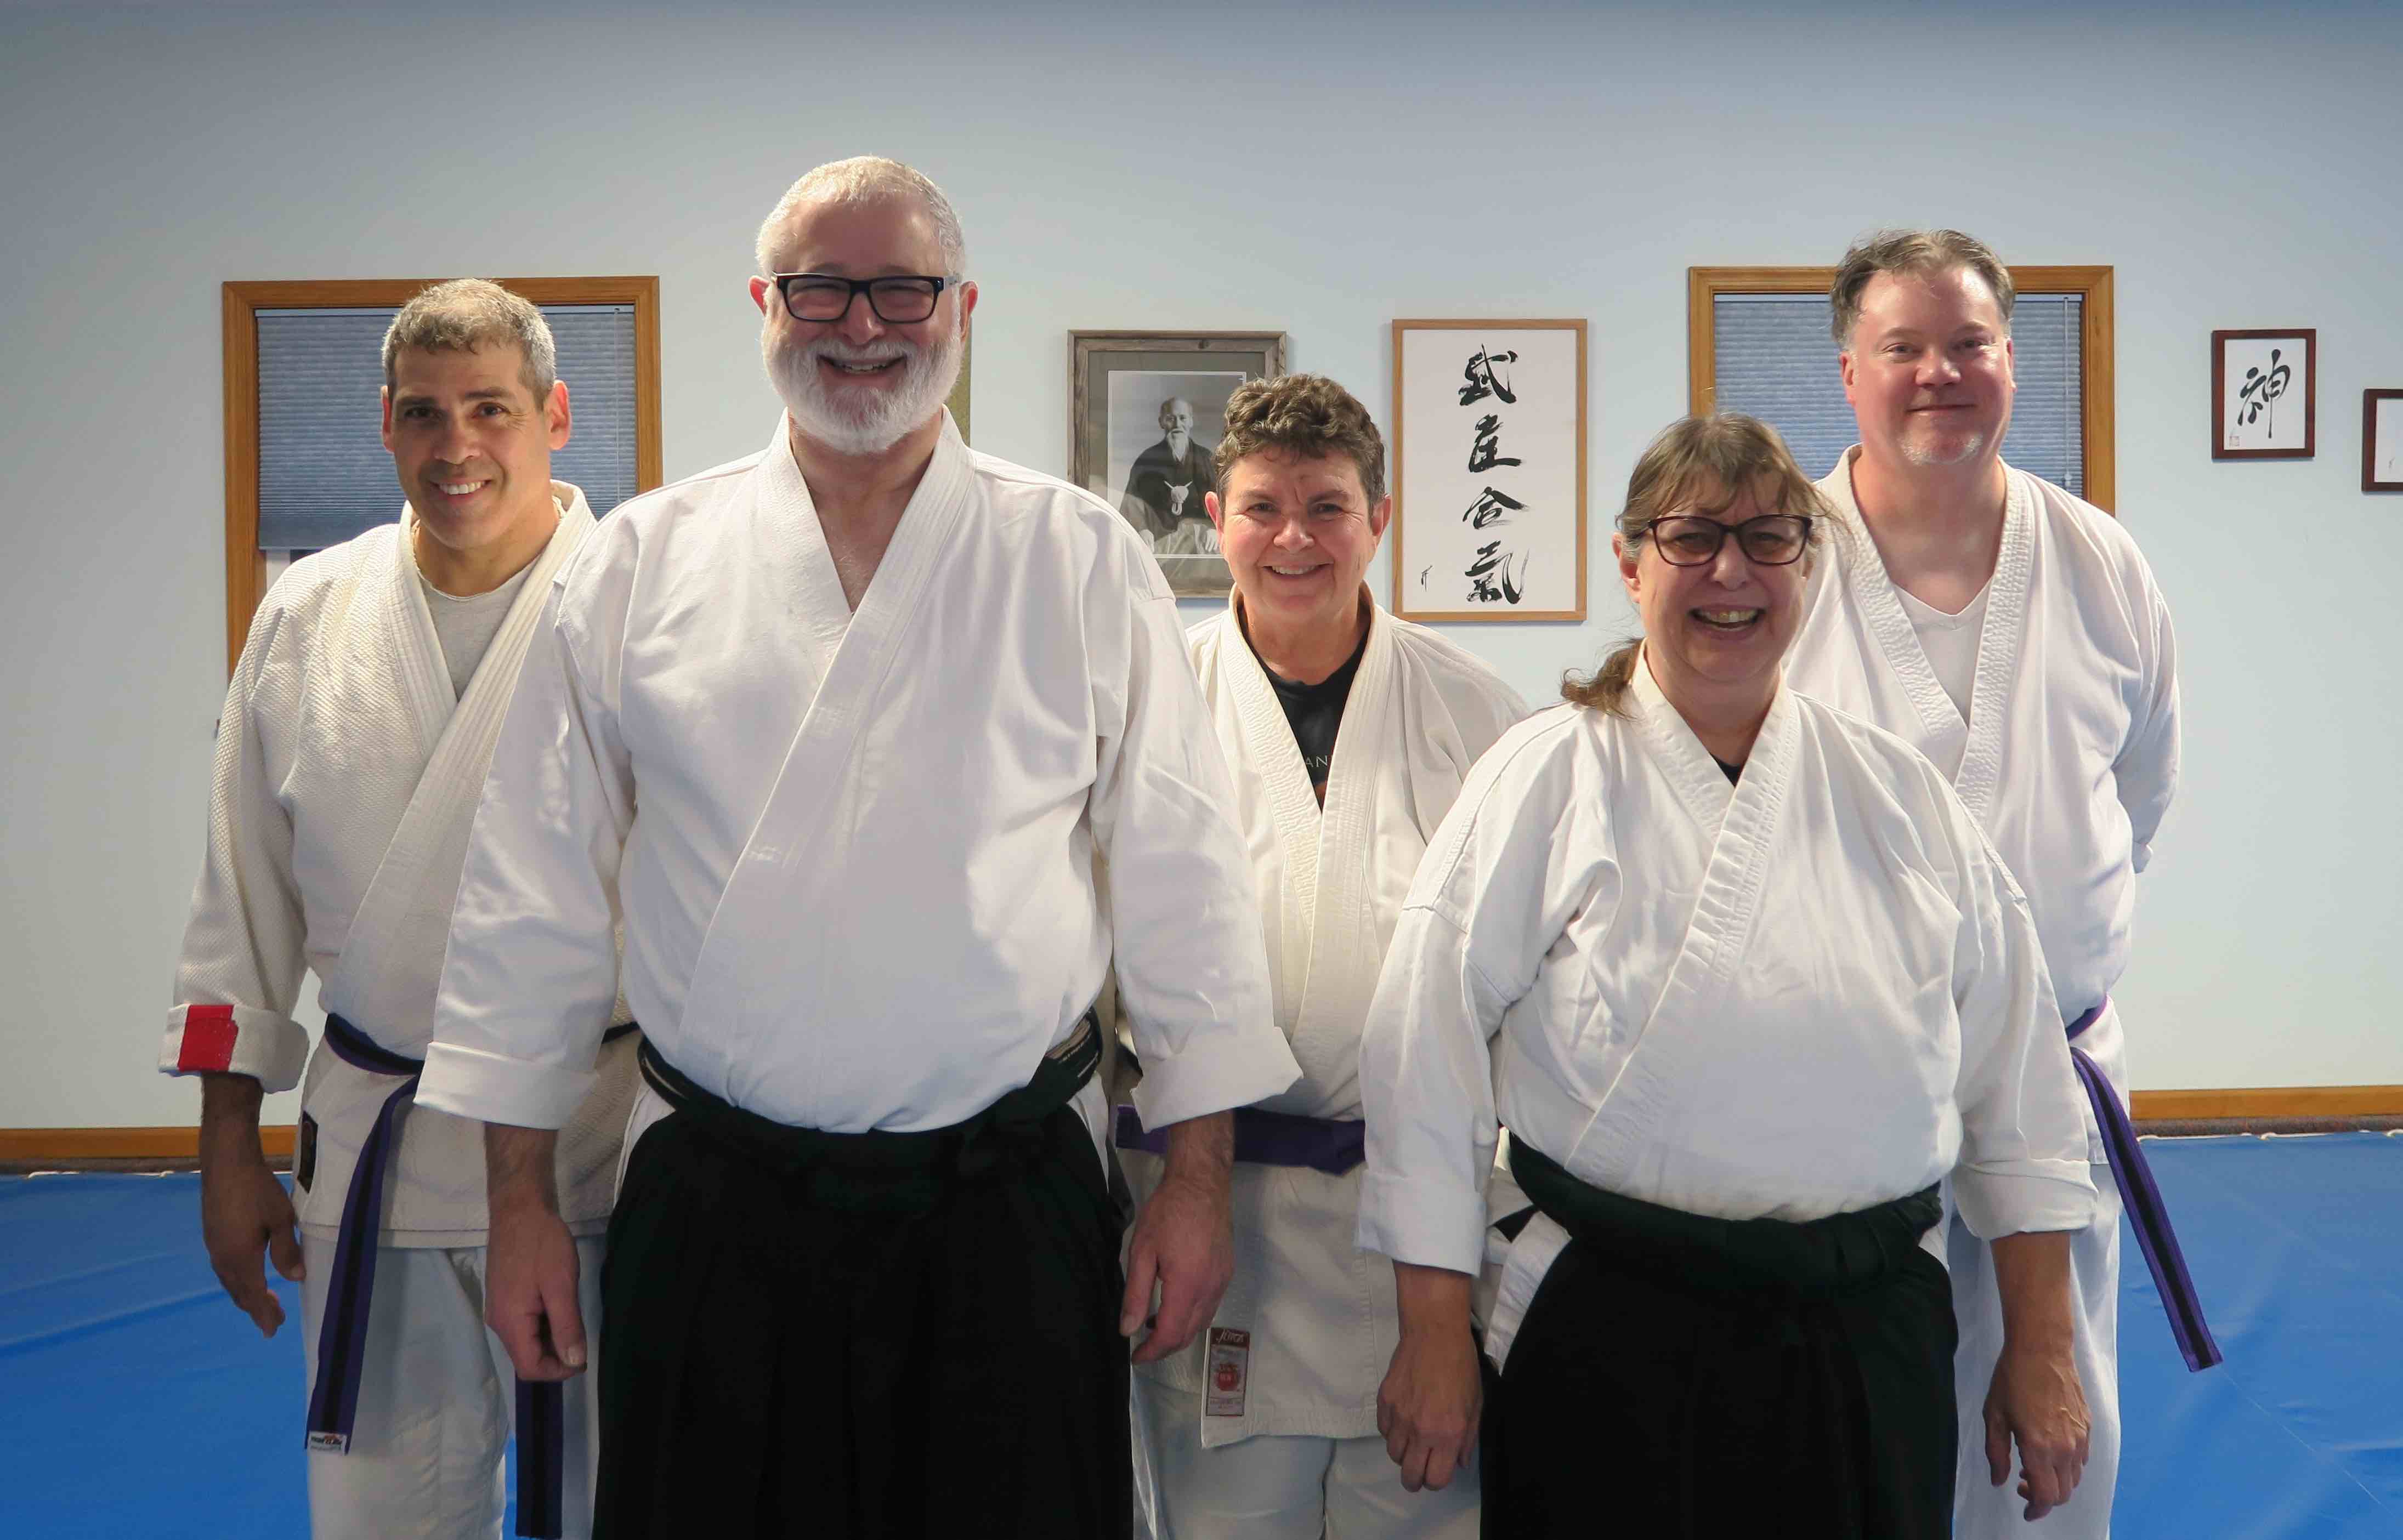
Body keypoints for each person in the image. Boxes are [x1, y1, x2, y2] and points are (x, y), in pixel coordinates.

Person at [412, 156, 1301, 1539]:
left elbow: (1185, 892)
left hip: (1003, 1203)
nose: (864, 325)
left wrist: (1194, 1186)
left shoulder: (1074, 554)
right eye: (823, 287)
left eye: (904, 287)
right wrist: (518, 1197)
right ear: (766, 303)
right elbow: (529, 898)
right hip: (718, 1198)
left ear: (965, 308)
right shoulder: (645, 560)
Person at [1358, 413, 2099, 1537]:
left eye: (1767, 541)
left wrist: (2044, 1348)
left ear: (1810, 563)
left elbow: (2021, 1088)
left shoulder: (1897, 795)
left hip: (1864, 1328)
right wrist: (1429, 1333)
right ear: (1628, 559)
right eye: (1691, 538)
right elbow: (1424, 1056)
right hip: (1608, 1318)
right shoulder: (1543, 776)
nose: (1729, 573)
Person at [160, 279, 637, 1539]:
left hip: (595, 1145)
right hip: (378, 1138)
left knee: (611, 1499)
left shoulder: (644, 605)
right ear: (383, 425)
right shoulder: (310, 614)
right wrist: (225, 1146)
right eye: (424, 414)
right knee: (379, 1515)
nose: (456, 446)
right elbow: (239, 894)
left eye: (490, 408)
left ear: (556, 414)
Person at [1781, 228, 2207, 1539]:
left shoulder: (2098, 563)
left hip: (2054, 1068)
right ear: (1848, 369)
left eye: (1966, 345)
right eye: (1902, 347)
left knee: (2054, 1439)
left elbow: (2137, 799)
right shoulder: (1772, 561)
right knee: (1847, 1422)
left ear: (2011, 364)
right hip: (1835, 1077)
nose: (1936, 375)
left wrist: (2035, 955)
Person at [1117, 374, 1524, 1538]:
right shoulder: (1151, 707)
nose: (1294, 539)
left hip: (1421, 1241)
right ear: (1214, 515)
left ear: (1380, 520)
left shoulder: (1480, 720)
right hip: (1213, 1225)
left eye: (1328, 507)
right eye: (1261, 508)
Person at [1121, 396, 1218, 547]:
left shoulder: (1207, 458)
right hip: (1160, 542)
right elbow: (1132, 501)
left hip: (1200, 542)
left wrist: (1215, 528)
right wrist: (1142, 529)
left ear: (1191, 421)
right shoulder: (1147, 460)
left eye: (1183, 418)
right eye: (1171, 419)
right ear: (1161, 422)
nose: (1177, 424)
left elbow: (1222, 498)